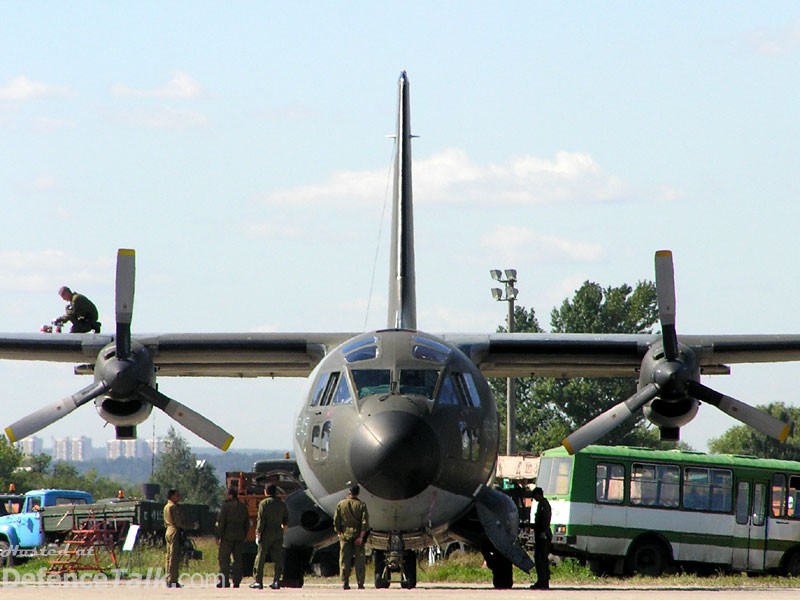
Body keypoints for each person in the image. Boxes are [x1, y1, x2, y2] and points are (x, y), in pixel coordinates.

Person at [251, 483, 288, 590]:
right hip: (278, 533)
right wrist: (283, 531)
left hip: (266, 533)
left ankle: (258, 581)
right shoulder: (281, 504)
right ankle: (276, 580)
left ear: (266, 491)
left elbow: (261, 521)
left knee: (261, 557)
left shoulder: (264, 503)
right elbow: (285, 519)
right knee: (278, 558)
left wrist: (258, 533)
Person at [333, 484, 370, 590]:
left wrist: (339, 533)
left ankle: (345, 582)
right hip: (358, 536)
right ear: (357, 493)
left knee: (344, 560)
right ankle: (360, 583)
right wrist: (361, 537)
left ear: (349, 492)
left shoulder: (341, 504)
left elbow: (336, 520)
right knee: (360, 561)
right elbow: (365, 522)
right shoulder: (361, 505)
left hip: (345, 536)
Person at [215, 487, 251, 588]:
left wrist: (218, 535)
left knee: (224, 559)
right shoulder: (243, 507)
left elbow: (221, 523)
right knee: (238, 560)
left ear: (230, 495)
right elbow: (247, 523)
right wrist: (245, 535)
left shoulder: (225, 507)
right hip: (239, 537)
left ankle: (224, 581)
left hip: (227, 537)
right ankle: (236, 581)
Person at [164, 488, 196, 588]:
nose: (179, 497)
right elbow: (179, 522)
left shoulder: (166, 506)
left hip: (168, 530)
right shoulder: (173, 507)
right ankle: (172, 580)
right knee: (174, 557)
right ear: (172, 496)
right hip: (174, 531)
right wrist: (191, 526)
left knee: (168, 556)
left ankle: (168, 578)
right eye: (177, 495)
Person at [530, 487, 552, 590]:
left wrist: (542, 531)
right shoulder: (543, 504)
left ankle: (543, 582)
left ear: (538, 495)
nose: (534, 499)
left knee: (541, 559)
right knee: (541, 559)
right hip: (542, 534)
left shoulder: (543, 505)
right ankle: (542, 581)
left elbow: (544, 521)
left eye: (535, 496)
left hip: (543, 536)